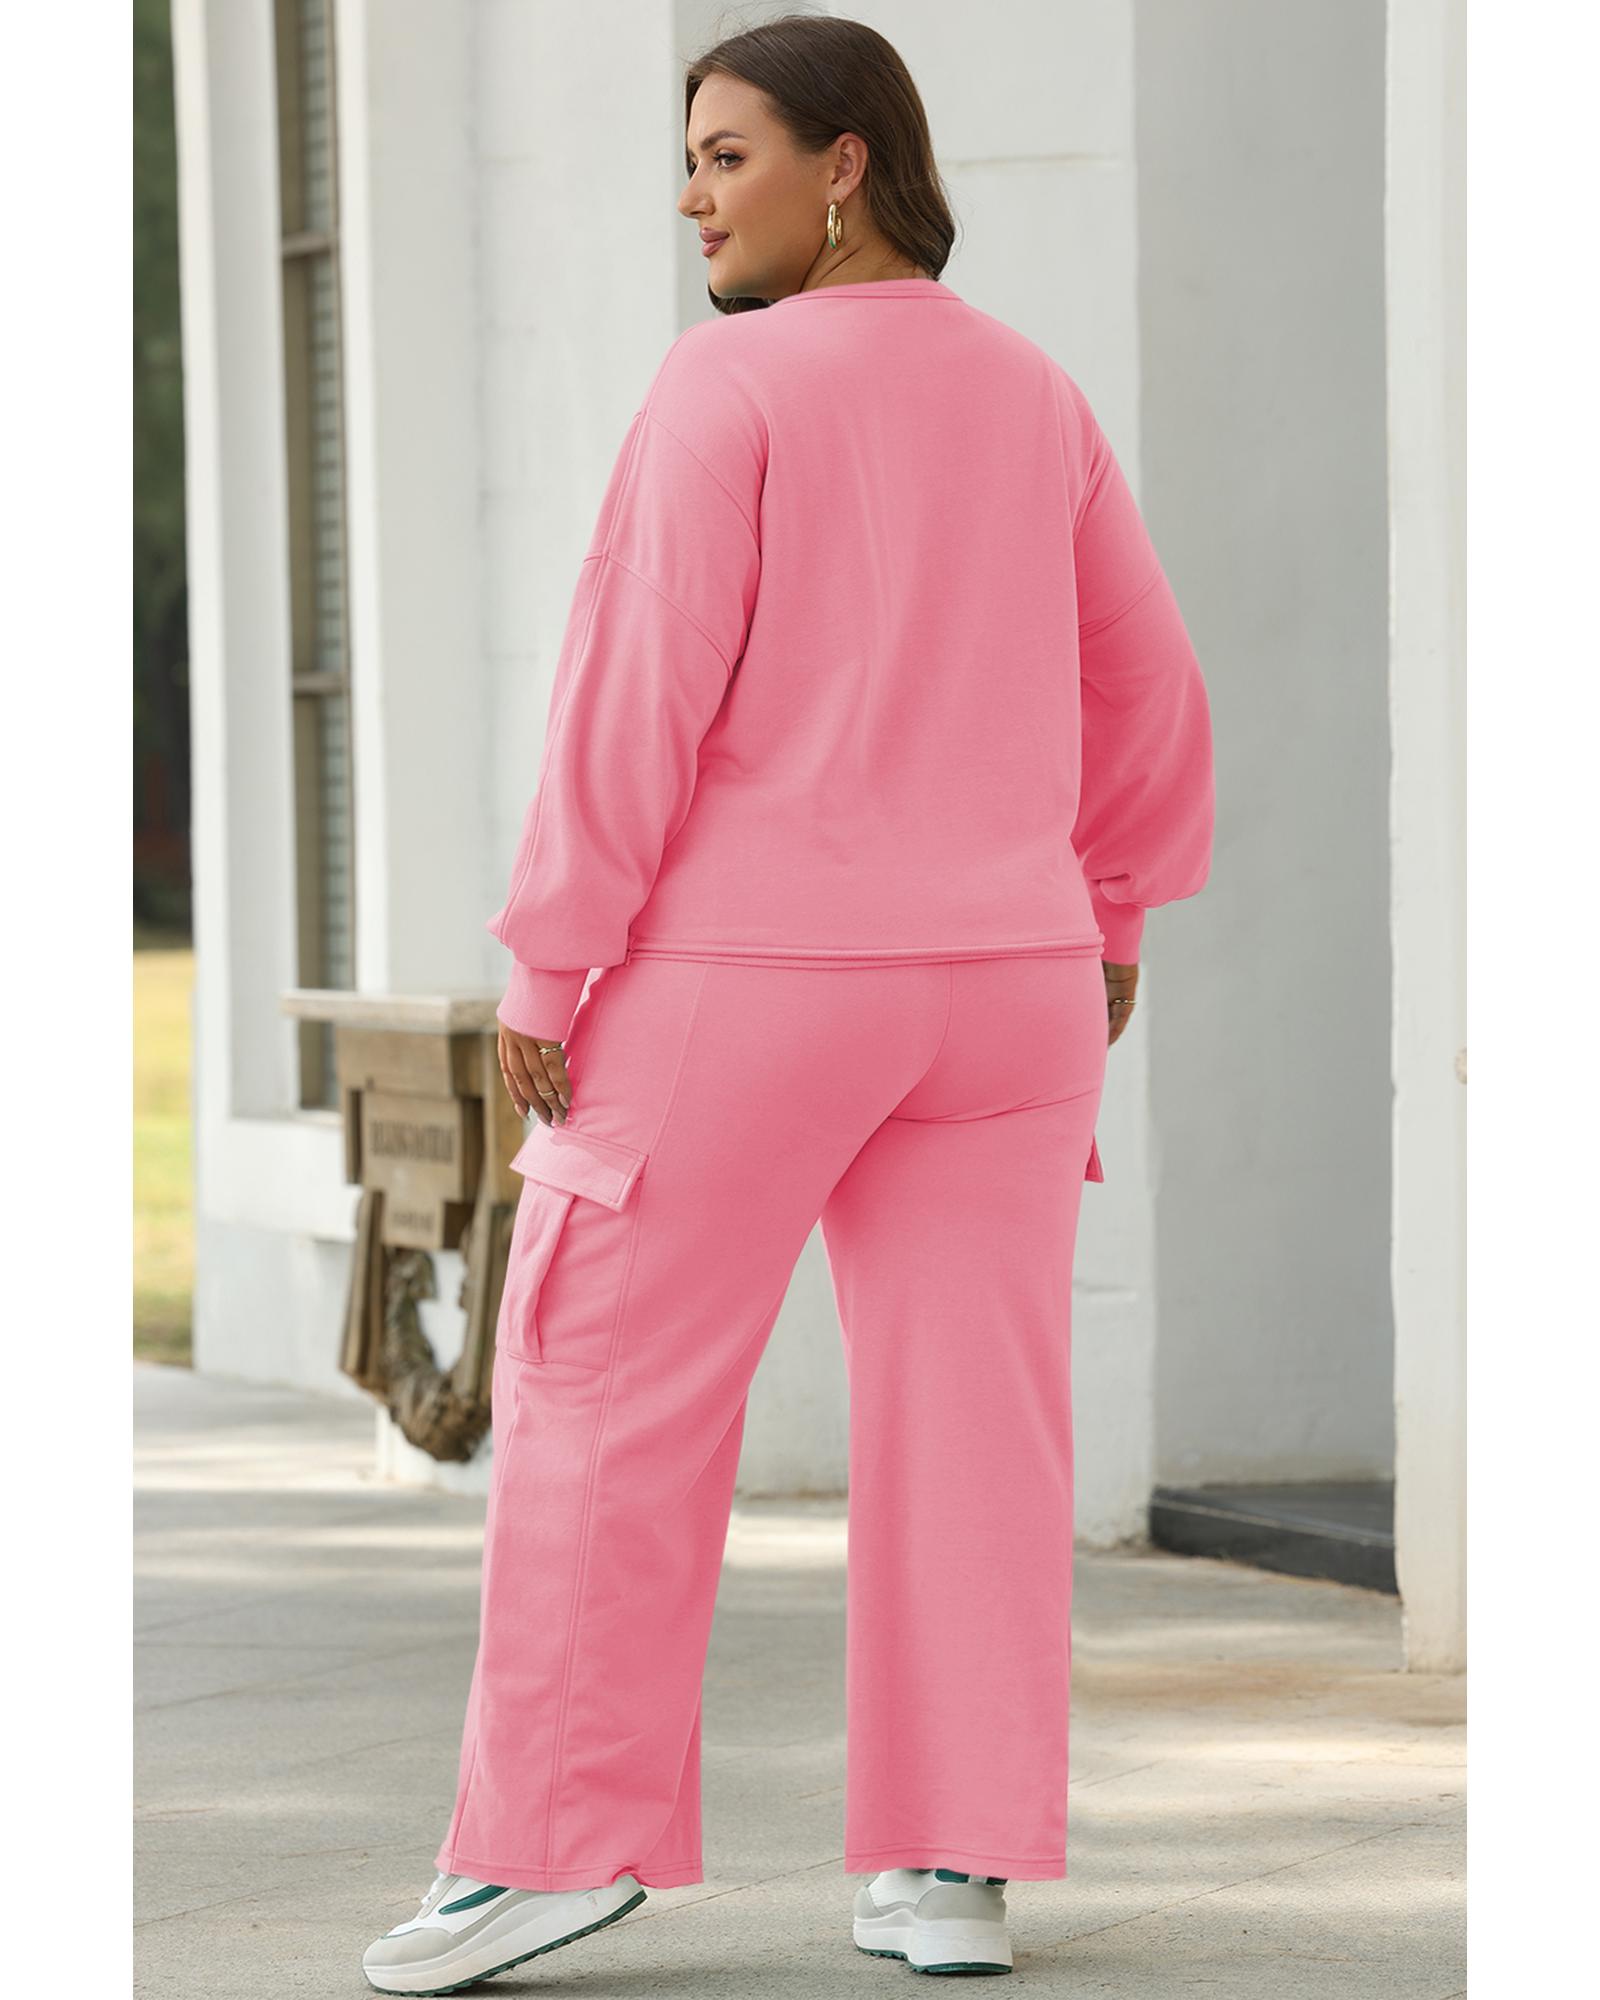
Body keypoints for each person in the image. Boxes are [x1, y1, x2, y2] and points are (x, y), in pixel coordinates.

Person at [363, 12, 1212, 1992]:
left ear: (847, 165)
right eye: (688, 158)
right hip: (1005, 993)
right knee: (978, 1424)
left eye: (726, 154)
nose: (691, 196)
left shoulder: (723, 386)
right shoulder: (1035, 395)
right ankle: (950, 1869)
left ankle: (549, 1846)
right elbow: (1149, 684)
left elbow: (634, 686)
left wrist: (551, 954)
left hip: (747, 985)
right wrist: (1105, 916)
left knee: (599, 1386)